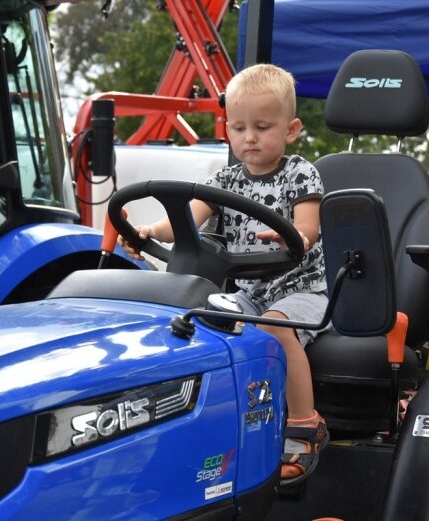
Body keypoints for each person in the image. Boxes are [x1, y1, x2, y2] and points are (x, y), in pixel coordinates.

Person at [119, 63, 329, 486]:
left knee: (277, 329)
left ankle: (306, 426)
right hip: (249, 290)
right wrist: (146, 232)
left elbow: (309, 226)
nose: (249, 138)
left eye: (262, 127)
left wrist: (296, 238)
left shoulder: (300, 173)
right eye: (238, 127)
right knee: (199, 325)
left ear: (290, 130)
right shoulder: (224, 180)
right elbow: (185, 223)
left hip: (301, 288)